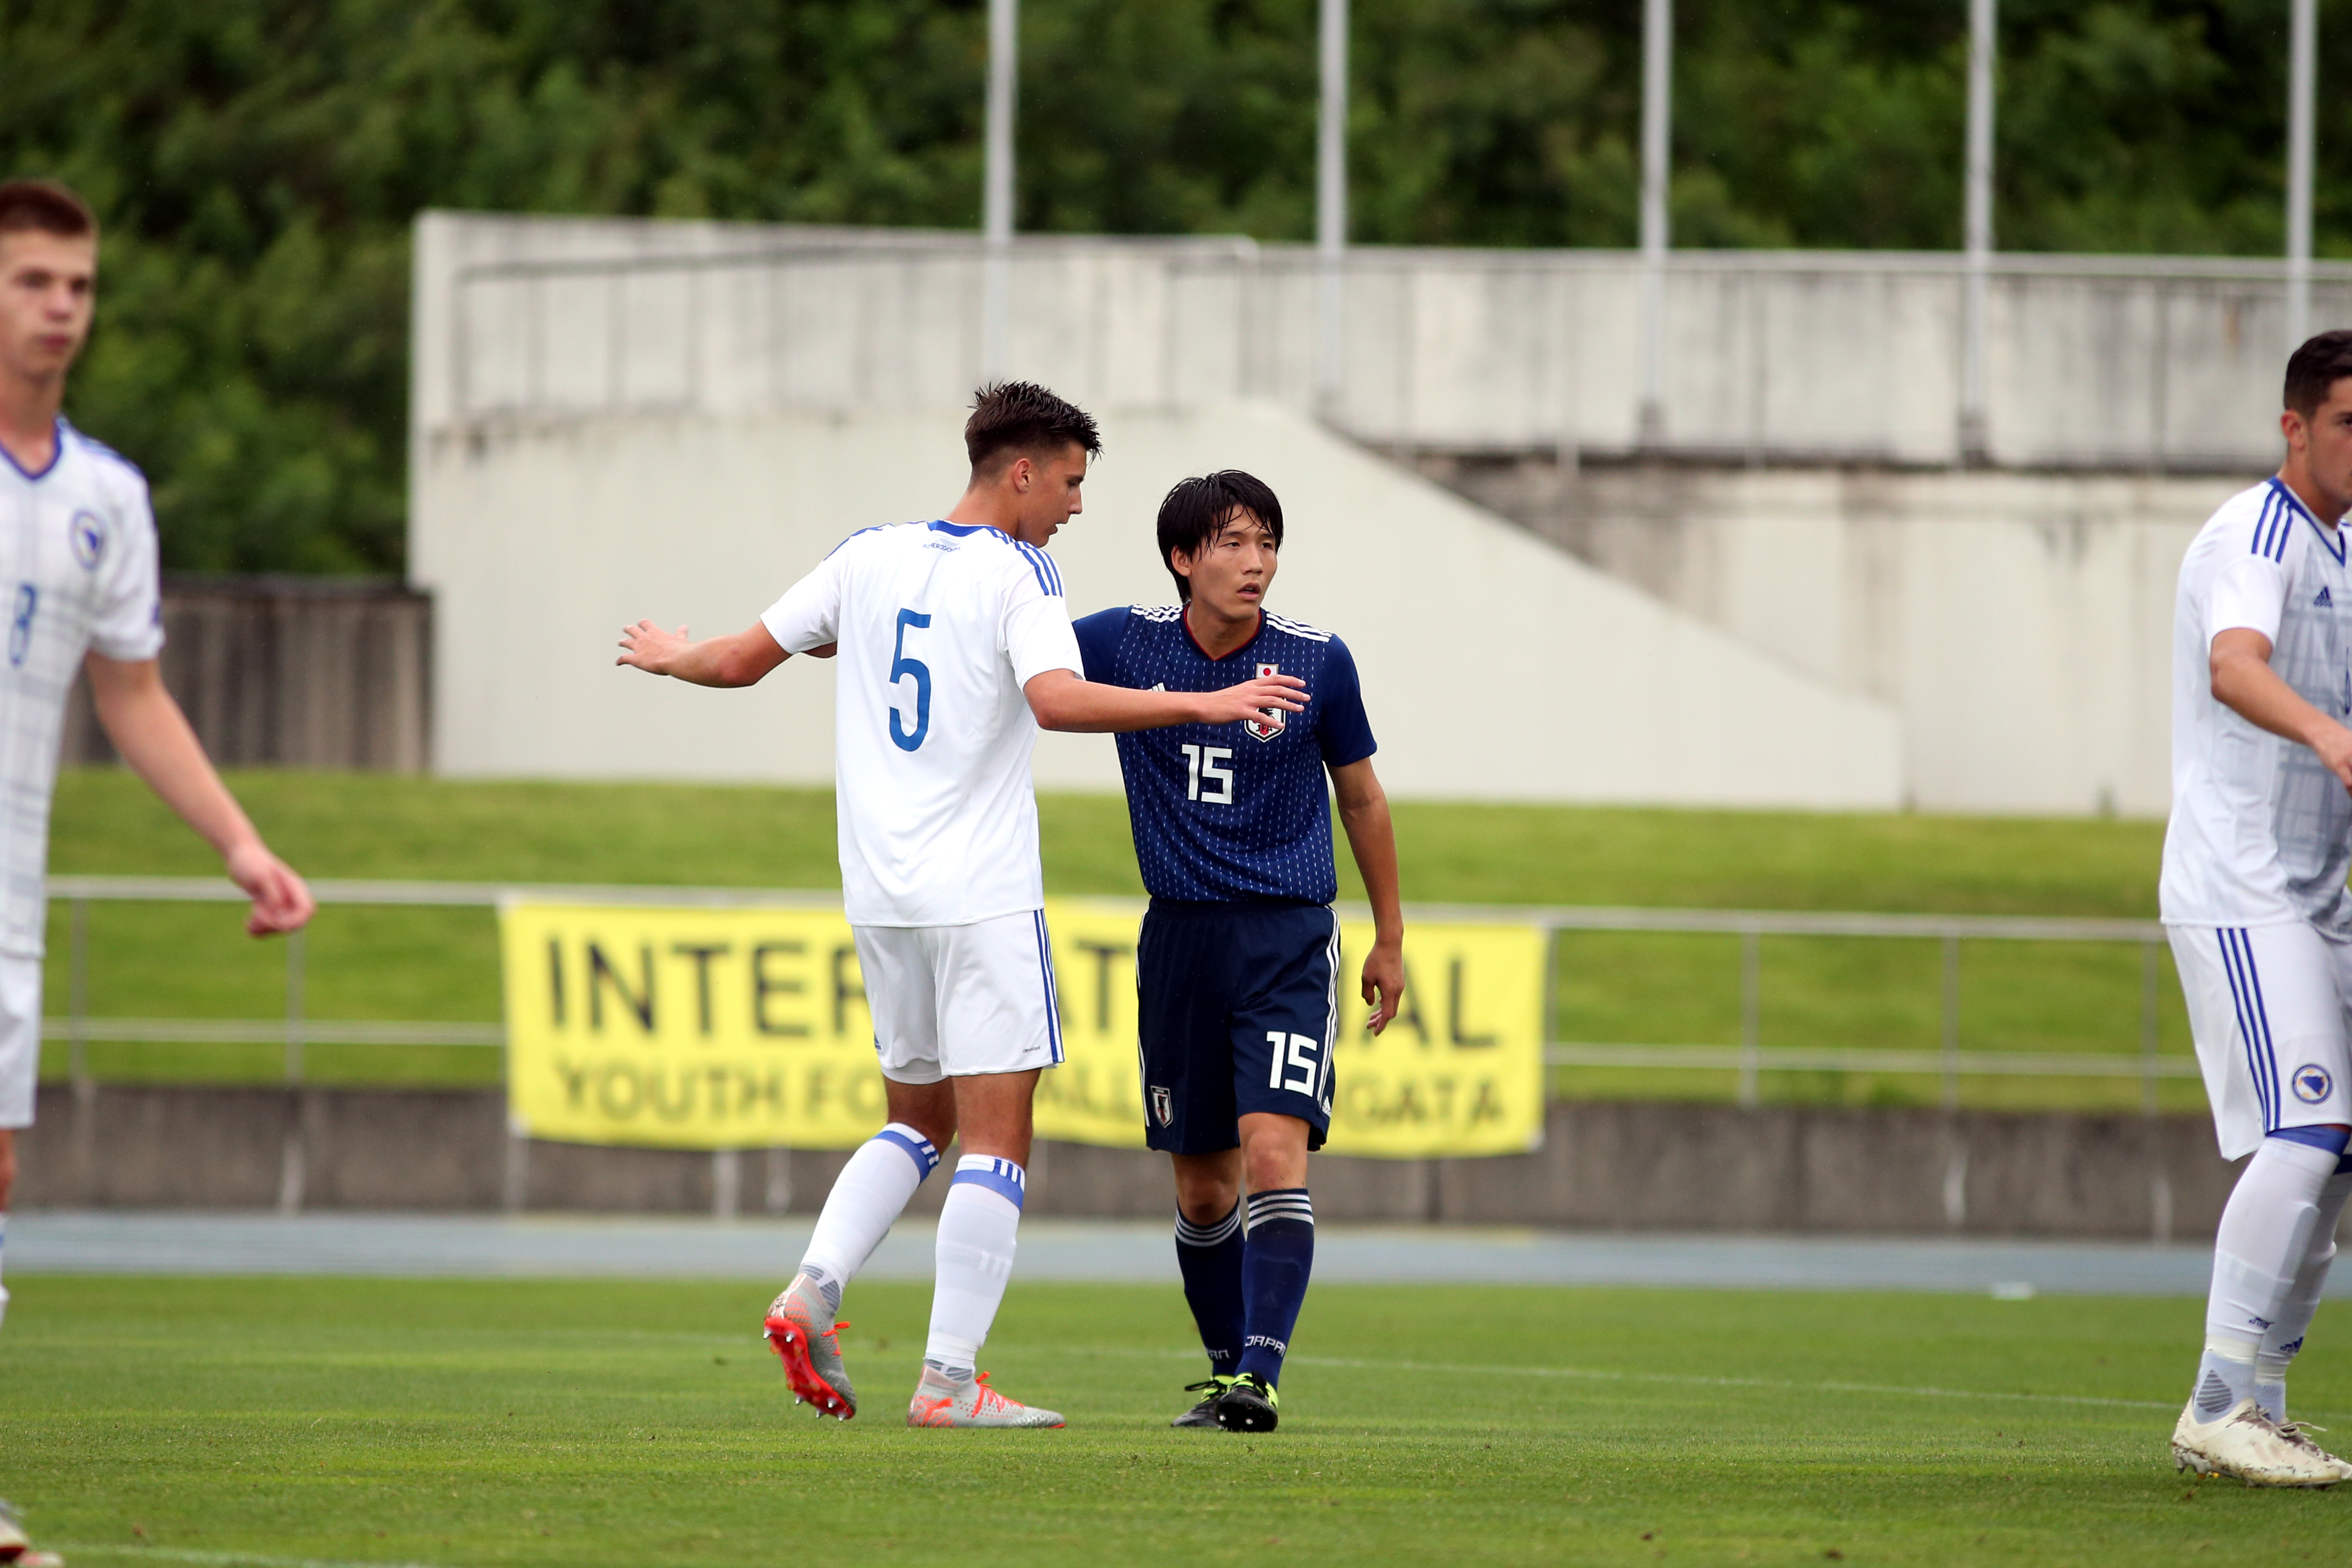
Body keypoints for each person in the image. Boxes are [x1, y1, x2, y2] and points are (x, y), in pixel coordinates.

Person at [616, 383, 1306, 1428]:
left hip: (879, 895)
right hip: (978, 896)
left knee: (914, 1119)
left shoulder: (868, 554)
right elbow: (1056, 699)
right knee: (996, 1136)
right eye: (1070, 482)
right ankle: (947, 1379)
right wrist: (1202, 700)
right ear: (1020, 471)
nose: (1075, 505)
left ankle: (813, 1287)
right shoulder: (1019, 569)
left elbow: (743, 660)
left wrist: (675, 658)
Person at [0, 178, 314, 1342]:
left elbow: (132, 693)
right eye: (32, 280)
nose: (60, 307)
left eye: (77, 285)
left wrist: (240, 844)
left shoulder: (108, 498)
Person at [1071, 470, 1403, 1433]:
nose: (1254, 563)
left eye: (1265, 543)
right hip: (1178, 938)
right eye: (1231, 543)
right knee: (1200, 1181)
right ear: (1183, 558)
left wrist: (1388, 934)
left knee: (1272, 1150)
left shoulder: (1316, 661)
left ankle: (1260, 1373)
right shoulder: (1123, 640)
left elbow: (1364, 798)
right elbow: (999, 647)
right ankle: (1223, 1373)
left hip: (1286, 937)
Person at [2162, 328, 2352, 1486]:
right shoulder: (2255, 532)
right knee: (2311, 1126)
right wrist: (2329, 735)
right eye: (2345, 424)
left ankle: (2262, 1404)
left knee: (2337, 1153)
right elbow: (2235, 665)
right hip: (2239, 886)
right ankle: (2215, 1400)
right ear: (2292, 428)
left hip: (2313, 898)